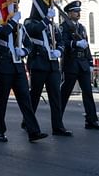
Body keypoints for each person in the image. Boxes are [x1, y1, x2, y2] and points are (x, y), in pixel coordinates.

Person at [0, 4, 48, 143]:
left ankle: (33, 131)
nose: (15, 11)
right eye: (12, 8)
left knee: (25, 100)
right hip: (4, 67)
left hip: (18, 68)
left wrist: (24, 51)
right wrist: (13, 21)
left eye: (16, 8)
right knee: (2, 101)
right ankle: (0, 131)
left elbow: (29, 44)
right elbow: (3, 34)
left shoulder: (20, 27)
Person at [23, 7, 72, 137]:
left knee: (56, 97)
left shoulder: (53, 25)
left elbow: (60, 41)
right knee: (35, 95)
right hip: (38, 63)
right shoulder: (29, 22)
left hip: (52, 65)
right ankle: (28, 121)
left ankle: (58, 127)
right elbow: (34, 31)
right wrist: (46, 20)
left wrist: (59, 51)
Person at [59, 1, 99, 130]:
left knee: (88, 93)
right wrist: (75, 44)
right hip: (71, 63)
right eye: (75, 11)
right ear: (68, 13)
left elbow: (87, 46)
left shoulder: (82, 28)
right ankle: (57, 121)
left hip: (83, 63)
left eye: (79, 11)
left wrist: (90, 61)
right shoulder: (64, 27)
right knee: (65, 93)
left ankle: (91, 120)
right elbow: (63, 43)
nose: (78, 13)